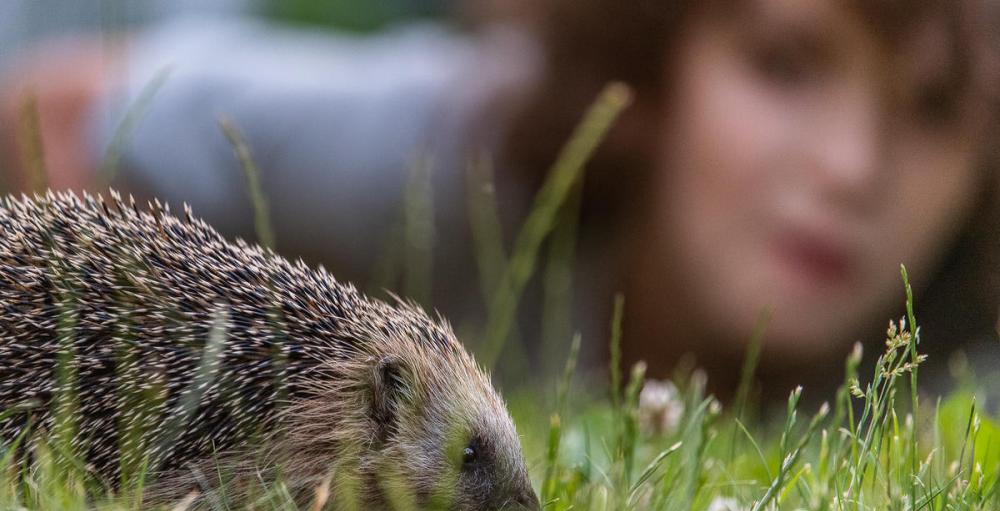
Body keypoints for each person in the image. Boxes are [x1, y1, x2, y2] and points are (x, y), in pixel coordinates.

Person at [1, 0, 997, 407]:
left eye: (936, 109)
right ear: (654, 68)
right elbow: (67, 110)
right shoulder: (445, 156)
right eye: (783, 67)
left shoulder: (961, 318)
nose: (851, 169)